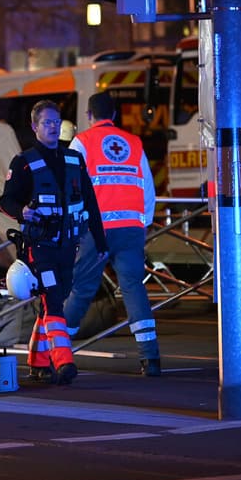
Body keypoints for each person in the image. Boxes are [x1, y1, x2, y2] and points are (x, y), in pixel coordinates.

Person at [0, 100, 107, 385]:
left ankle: (37, 361)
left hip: (68, 246)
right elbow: (6, 199)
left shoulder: (73, 160)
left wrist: (100, 238)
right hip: (40, 246)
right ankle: (64, 362)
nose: (53, 127)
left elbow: (91, 203)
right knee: (55, 301)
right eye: (47, 123)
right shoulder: (23, 162)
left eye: (56, 122)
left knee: (50, 304)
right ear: (35, 126)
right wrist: (22, 211)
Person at [64, 91, 161, 375]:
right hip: (131, 228)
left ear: (89, 116)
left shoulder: (82, 142)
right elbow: (148, 189)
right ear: (115, 115)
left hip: (96, 230)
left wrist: (73, 225)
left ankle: (55, 349)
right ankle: (150, 357)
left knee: (82, 289)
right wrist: (144, 223)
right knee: (133, 287)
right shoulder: (133, 143)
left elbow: (73, 187)